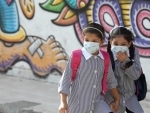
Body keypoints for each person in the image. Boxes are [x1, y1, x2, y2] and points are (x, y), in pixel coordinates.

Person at [58, 22, 120, 113]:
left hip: (97, 102)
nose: (90, 43)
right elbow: (65, 80)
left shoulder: (105, 58)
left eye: (94, 41)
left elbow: (111, 80)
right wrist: (63, 102)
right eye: (87, 40)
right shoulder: (76, 56)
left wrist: (117, 99)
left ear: (101, 42)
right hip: (78, 104)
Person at [105, 26, 144, 113]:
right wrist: (112, 100)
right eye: (115, 44)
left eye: (123, 44)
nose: (119, 47)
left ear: (129, 43)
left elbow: (136, 76)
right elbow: (106, 81)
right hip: (112, 97)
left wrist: (126, 61)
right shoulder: (106, 56)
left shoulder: (134, 53)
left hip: (130, 96)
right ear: (110, 42)